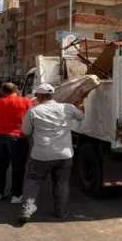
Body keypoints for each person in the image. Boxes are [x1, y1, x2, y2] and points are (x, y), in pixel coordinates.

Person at [19, 83, 84, 223]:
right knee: (61, 183)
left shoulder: (33, 111)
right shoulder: (67, 108)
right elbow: (81, 116)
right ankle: (61, 212)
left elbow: (25, 132)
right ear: (52, 95)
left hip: (41, 155)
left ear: (40, 96)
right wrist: (80, 104)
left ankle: (27, 210)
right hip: (64, 155)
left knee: (33, 181)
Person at [0, 82, 32, 203]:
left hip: (1, 137)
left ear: (3, 91)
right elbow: (32, 114)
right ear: (17, 90)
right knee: (18, 167)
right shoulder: (25, 101)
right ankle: (16, 196)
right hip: (19, 137)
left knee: (1, 166)